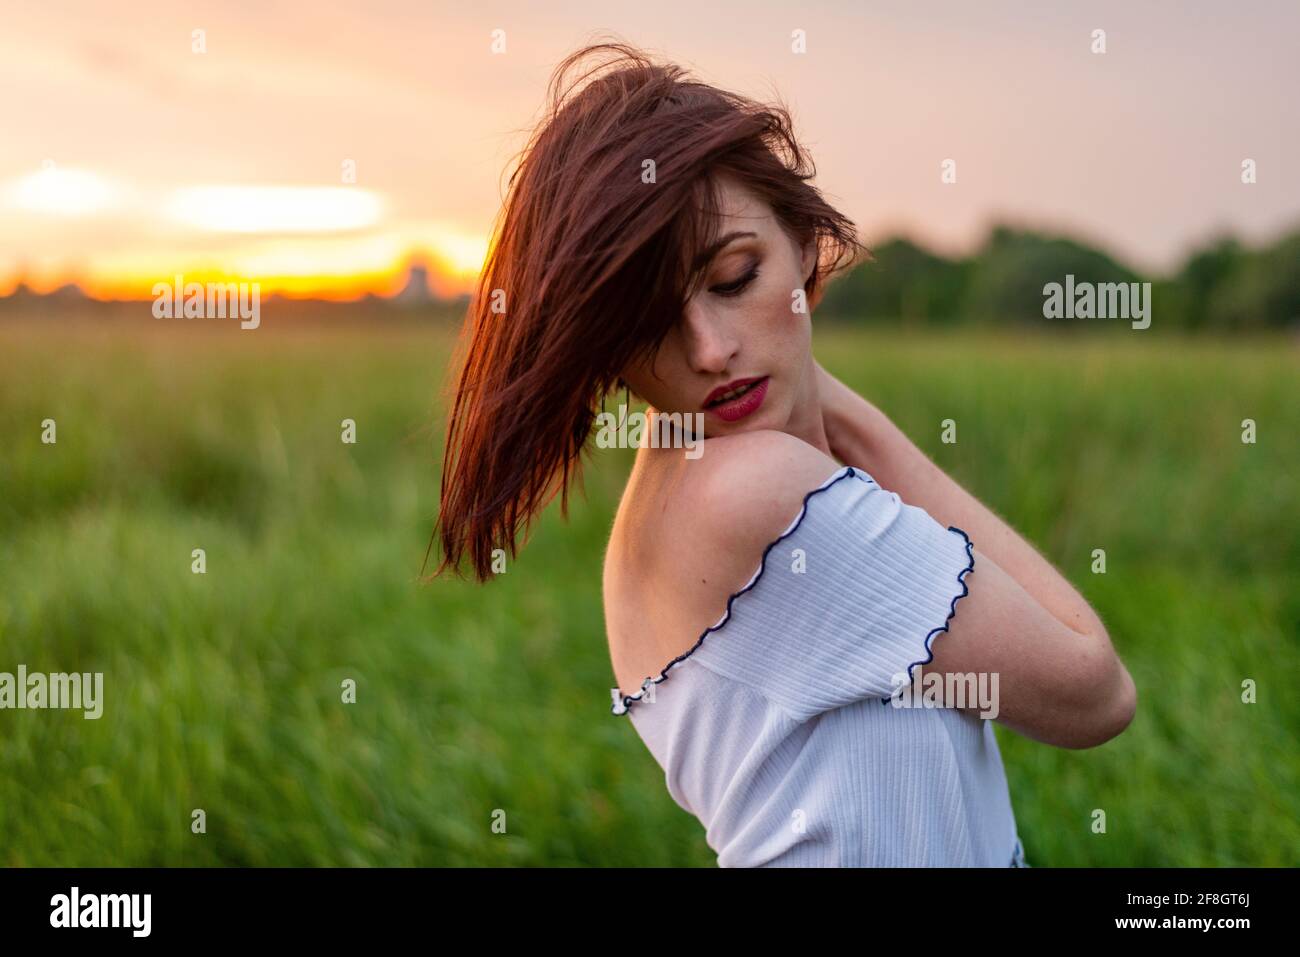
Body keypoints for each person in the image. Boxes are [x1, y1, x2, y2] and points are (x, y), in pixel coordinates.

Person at [432, 41, 1136, 866]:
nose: (710, 349)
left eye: (734, 277)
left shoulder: (672, 483)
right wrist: (830, 396)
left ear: (805, 242)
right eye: (646, 322)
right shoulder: (751, 491)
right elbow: (1095, 691)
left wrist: (810, 396)